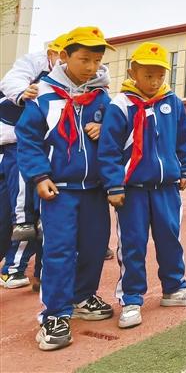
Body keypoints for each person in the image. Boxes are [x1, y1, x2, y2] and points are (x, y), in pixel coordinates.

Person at [15, 27, 114, 350]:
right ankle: (55, 314)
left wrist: (105, 127)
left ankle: (83, 297)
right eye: (84, 59)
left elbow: (121, 132)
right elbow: (28, 139)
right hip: (58, 190)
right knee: (59, 251)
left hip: (95, 189)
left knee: (95, 247)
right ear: (64, 57)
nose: (91, 67)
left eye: (97, 61)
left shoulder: (102, 96)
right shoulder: (43, 95)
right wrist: (39, 176)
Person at [98, 42, 186, 330]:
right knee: (132, 244)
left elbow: (183, 139)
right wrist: (114, 185)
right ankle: (131, 299)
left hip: (166, 188)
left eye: (160, 75)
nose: (155, 81)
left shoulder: (173, 102)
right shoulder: (121, 105)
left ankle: (174, 288)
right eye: (148, 75)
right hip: (132, 190)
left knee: (170, 238)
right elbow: (108, 149)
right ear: (132, 72)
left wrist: (185, 168)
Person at [0, 33, 68, 289]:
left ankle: (40, 271)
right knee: (22, 216)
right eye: (60, 56)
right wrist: (22, 92)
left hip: (46, 149)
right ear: (52, 54)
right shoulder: (33, 66)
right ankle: (13, 268)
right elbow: (13, 80)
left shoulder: (71, 79)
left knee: (44, 215)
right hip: (16, 148)